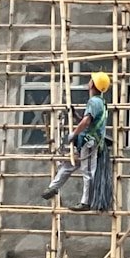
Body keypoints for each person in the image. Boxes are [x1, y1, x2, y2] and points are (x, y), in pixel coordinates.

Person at [41, 71, 110, 210]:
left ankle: (86, 202)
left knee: (88, 172)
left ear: (94, 84)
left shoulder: (94, 101)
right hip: (85, 142)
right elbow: (87, 122)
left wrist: (74, 133)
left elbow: (86, 121)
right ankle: (53, 187)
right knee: (68, 165)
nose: (89, 81)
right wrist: (76, 116)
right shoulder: (100, 102)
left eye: (91, 80)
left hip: (89, 142)